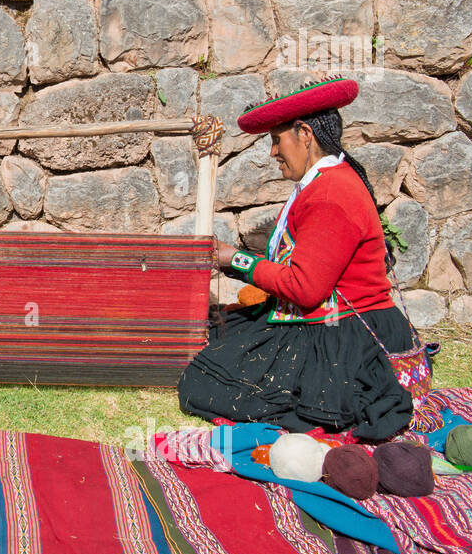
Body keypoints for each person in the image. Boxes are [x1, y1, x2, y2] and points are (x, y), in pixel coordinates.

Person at [177, 77, 415, 441]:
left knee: (202, 385)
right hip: (329, 319)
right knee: (216, 335)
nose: (273, 152)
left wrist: (234, 259)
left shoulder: (331, 194)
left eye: (277, 140)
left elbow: (304, 288)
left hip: (345, 334)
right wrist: (233, 260)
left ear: (305, 134)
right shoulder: (325, 183)